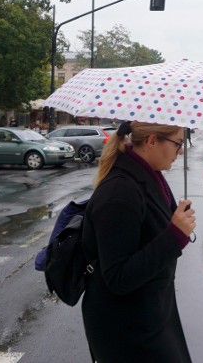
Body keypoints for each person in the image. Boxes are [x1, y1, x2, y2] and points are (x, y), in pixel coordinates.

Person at [81, 121, 195, 363]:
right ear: (152, 141)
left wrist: (177, 223)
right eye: (178, 143)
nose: (181, 150)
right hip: (127, 328)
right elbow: (118, 277)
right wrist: (175, 235)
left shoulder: (150, 176)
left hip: (149, 313)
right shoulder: (119, 192)